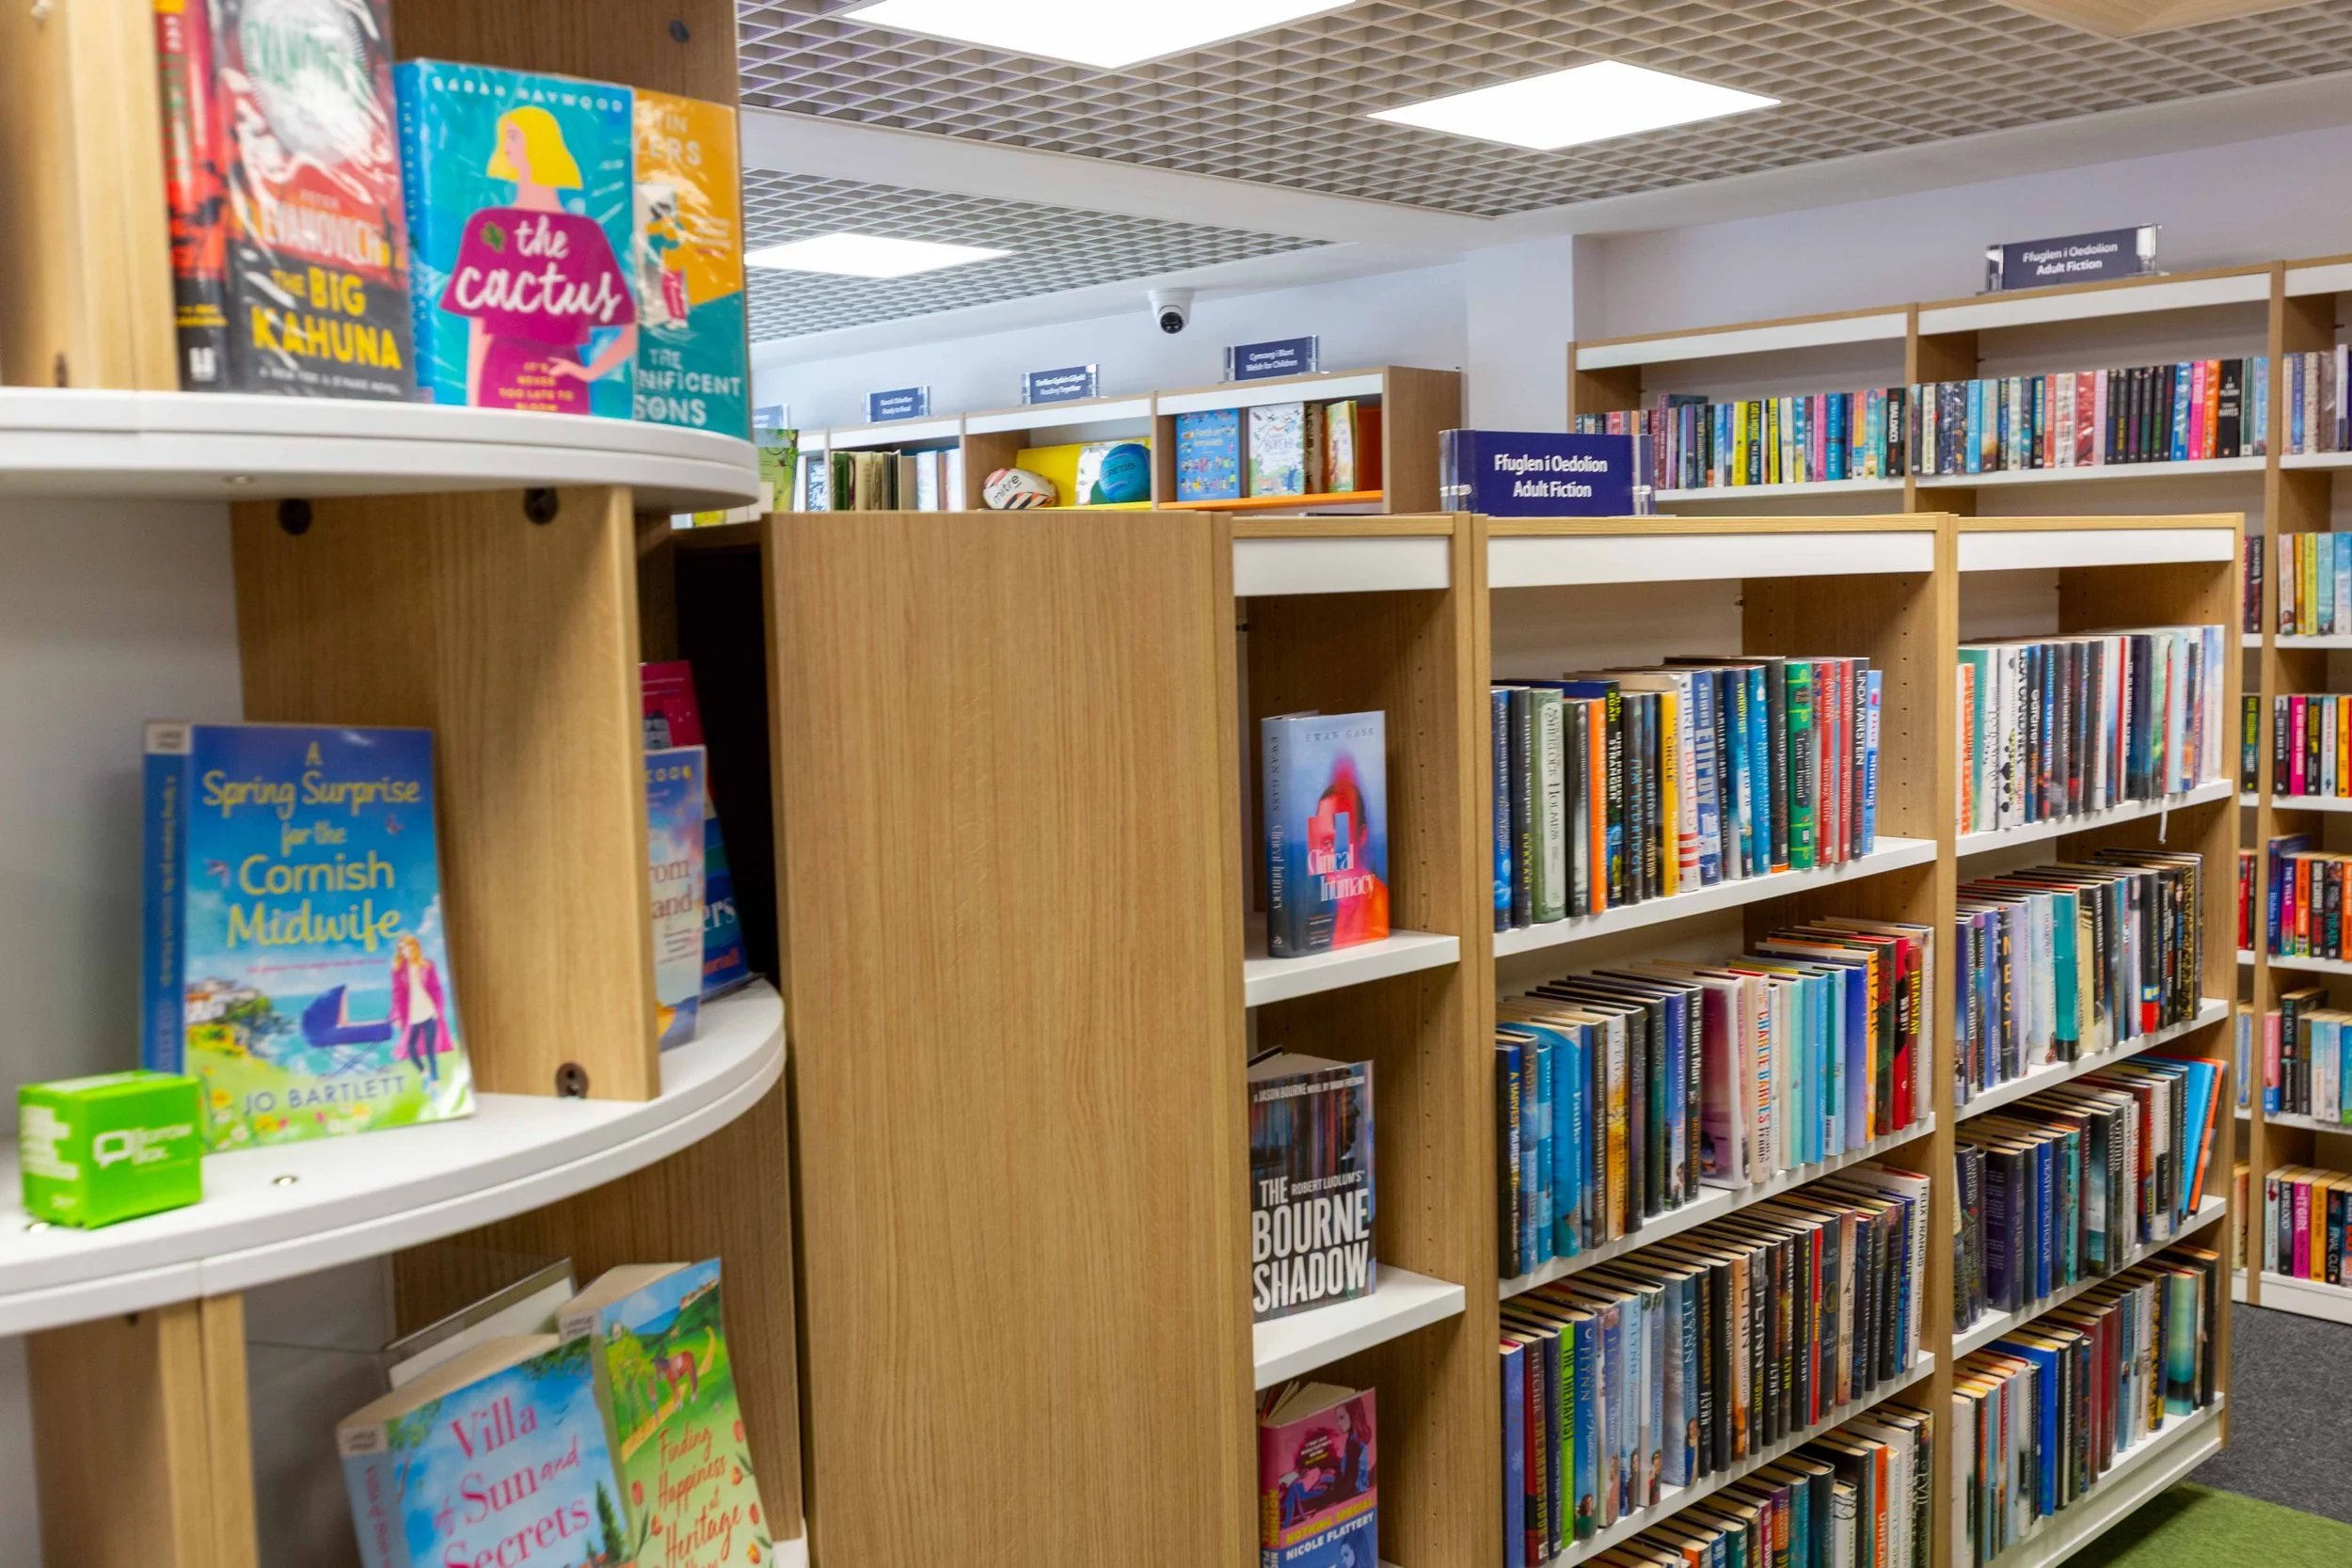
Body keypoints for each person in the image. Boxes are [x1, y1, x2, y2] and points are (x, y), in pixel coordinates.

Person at [442, 104, 636, 414]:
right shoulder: (488, 226)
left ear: (541, 144)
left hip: (564, 389)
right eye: (505, 138)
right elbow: (478, 329)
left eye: (514, 137)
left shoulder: (585, 234)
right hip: (499, 382)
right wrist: (474, 411)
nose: (506, 147)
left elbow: (630, 332)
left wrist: (588, 373)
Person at [389, 933, 453, 1084]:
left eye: (408, 948)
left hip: (429, 1010)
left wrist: (438, 1009)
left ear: (415, 947)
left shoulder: (427, 965)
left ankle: (434, 1081)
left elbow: (436, 988)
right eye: (402, 949)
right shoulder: (398, 968)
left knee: (431, 1048)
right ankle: (424, 1073)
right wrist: (397, 1015)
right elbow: (397, 992)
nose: (405, 952)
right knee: (410, 1046)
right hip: (412, 1013)